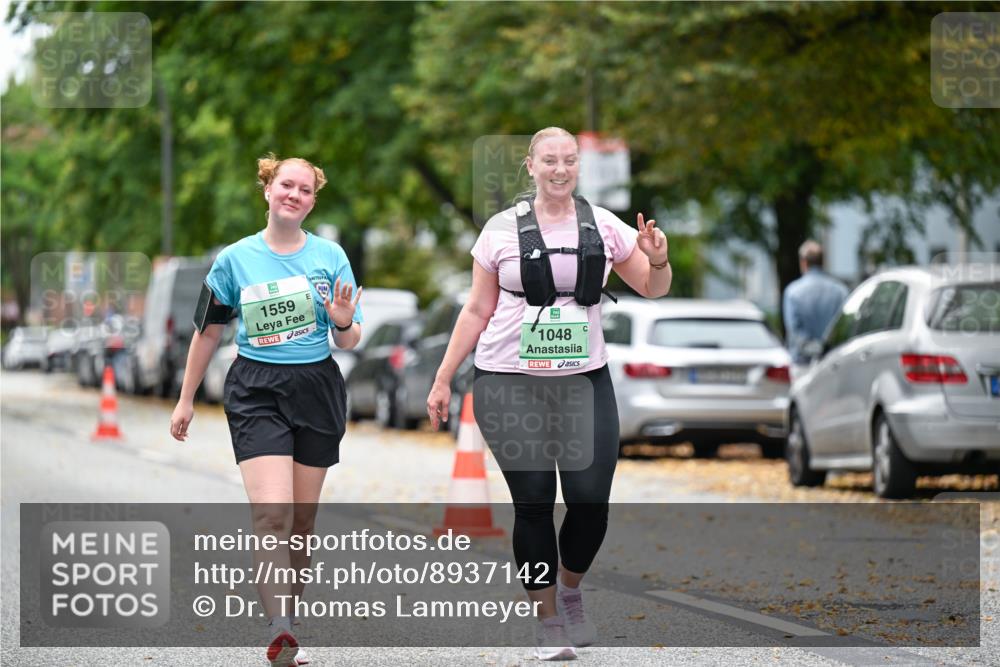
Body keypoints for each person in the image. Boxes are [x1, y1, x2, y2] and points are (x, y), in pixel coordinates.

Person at [426, 127, 671, 660]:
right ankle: (546, 622)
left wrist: (657, 258)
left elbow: (653, 287)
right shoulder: (499, 231)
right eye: (549, 161)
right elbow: (476, 309)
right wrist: (444, 377)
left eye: (569, 161)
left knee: (590, 502)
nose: (560, 170)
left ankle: (570, 589)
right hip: (508, 379)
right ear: (530, 166)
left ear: (577, 166)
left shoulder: (603, 226)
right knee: (534, 501)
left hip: (584, 381)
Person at [169, 154, 363, 667]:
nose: (293, 195)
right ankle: (279, 628)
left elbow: (351, 336)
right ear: (267, 189)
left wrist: (342, 321)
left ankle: (288, 621)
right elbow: (208, 331)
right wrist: (186, 398)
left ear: (312, 201)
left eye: (304, 189)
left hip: (316, 386)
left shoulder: (330, 256)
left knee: (301, 523)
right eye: (286, 185)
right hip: (256, 388)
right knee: (271, 514)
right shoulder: (234, 260)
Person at [782, 240, 848, 374]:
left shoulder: (792, 292)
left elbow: (794, 331)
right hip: (833, 365)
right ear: (823, 262)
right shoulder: (841, 291)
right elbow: (844, 328)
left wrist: (812, 349)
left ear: (803, 263)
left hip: (802, 366)